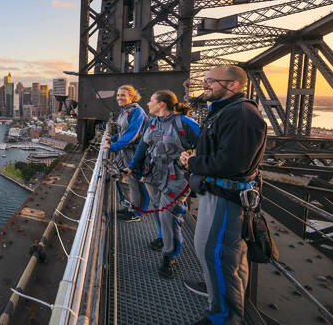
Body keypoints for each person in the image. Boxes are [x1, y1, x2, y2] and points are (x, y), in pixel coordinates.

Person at [180, 65, 267, 325]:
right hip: (219, 193)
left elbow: (232, 163)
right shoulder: (226, 112)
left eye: (211, 81)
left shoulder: (241, 115)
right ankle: (228, 304)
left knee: (214, 252)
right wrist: (194, 157)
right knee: (230, 255)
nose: (205, 85)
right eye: (205, 81)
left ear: (234, 85)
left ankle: (223, 318)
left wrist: (192, 163)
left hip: (225, 198)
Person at [123, 90, 200, 279]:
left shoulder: (186, 124)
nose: (148, 104)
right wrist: (132, 167)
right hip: (153, 175)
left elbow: (205, 147)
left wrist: (193, 159)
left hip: (177, 178)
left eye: (151, 101)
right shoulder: (152, 122)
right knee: (158, 208)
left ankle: (169, 256)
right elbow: (143, 146)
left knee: (169, 215)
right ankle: (163, 237)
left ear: (162, 104)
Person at [104, 85, 147, 222]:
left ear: (132, 97)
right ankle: (132, 207)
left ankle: (137, 213)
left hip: (135, 151)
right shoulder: (125, 111)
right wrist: (113, 138)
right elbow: (123, 130)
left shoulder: (137, 111)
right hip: (125, 151)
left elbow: (132, 134)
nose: (119, 98)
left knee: (136, 182)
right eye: (118, 95)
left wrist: (112, 147)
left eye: (123, 95)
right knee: (127, 178)